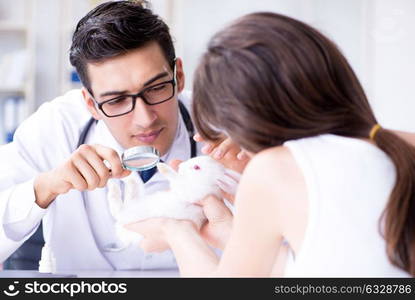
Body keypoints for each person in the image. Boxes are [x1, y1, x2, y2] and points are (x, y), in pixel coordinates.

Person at [126, 12, 415, 277]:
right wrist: (229, 228)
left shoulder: (274, 169)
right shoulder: (402, 144)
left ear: (250, 122)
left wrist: (177, 232)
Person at [0, 1, 247, 271]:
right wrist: (45, 187)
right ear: (91, 104)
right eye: (116, 100)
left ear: (179, 75)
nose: (145, 119)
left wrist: (252, 178)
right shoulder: (55, 127)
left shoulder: (227, 124)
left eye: (156, 88)